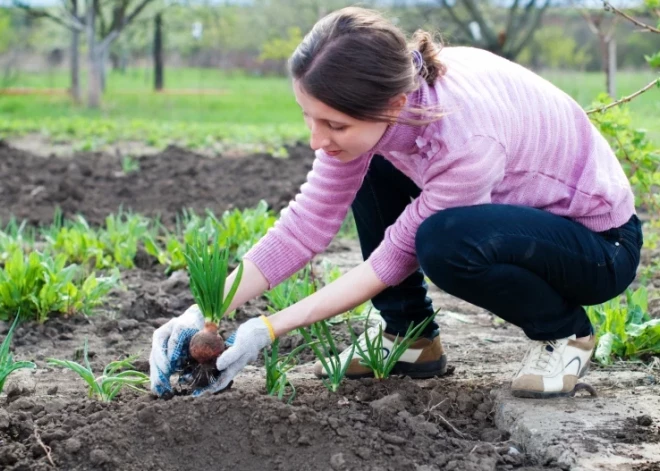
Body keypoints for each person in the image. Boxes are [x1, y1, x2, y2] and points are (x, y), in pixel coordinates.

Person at [149, 6, 643, 399]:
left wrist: (267, 328)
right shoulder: (388, 99)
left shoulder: (465, 141)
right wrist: (205, 311)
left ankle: (565, 333)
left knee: (444, 242)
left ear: (393, 106)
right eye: (309, 116)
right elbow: (306, 225)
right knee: (372, 159)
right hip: (520, 222)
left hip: (597, 246)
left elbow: (391, 260)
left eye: (333, 124)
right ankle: (411, 339)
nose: (316, 140)